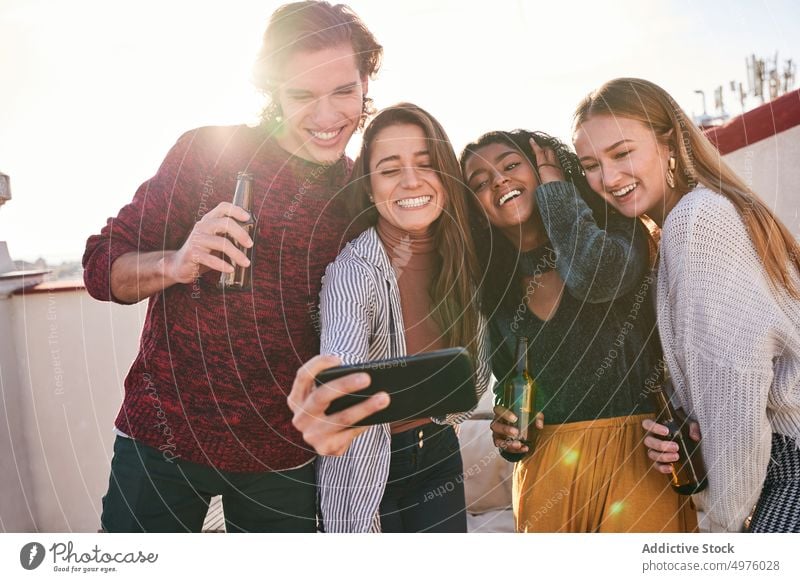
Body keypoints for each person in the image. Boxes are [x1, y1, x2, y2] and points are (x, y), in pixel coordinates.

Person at [82, 1, 382, 532]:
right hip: (161, 441)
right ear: (272, 90)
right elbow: (100, 266)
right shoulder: (206, 152)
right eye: (302, 95)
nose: (327, 116)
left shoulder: (360, 195)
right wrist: (177, 261)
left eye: (344, 92)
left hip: (283, 458)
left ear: (366, 82)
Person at [572, 77, 800, 533]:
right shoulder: (696, 215)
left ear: (669, 143)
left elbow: (736, 387)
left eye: (622, 153)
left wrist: (722, 526)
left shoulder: (696, 221)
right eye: (590, 165)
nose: (609, 178)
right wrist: (684, 429)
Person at [459, 129, 697, 533]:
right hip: (546, 475)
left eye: (511, 165)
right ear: (478, 209)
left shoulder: (616, 232)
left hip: (639, 458)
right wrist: (507, 434)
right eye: (480, 184)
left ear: (545, 172)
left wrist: (557, 193)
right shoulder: (492, 284)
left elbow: (596, 277)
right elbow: (510, 384)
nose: (497, 181)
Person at [312, 103, 490, 532]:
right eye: (390, 170)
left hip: (440, 450)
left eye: (426, 164)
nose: (412, 180)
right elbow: (344, 385)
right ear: (370, 189)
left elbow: (473, 379)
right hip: (368, 458)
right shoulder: (354, 271)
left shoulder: (464, 260)